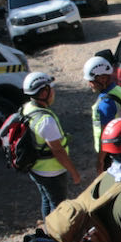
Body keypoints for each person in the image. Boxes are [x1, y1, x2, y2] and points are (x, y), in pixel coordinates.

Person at [21, 71, 80, 218]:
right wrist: (74, 172)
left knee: (47, 199)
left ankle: (47, 231)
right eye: (50, 88)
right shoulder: (46, 121)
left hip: (35, 168)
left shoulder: (28, 108)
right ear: (43, 93)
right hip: (51, 172)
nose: (53, 91)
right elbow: (58, 151)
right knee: (58, 207)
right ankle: (54, 237)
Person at [84, 55, 121, 171]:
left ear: (102, 79)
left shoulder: (106, 104)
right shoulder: (117, 90)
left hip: (110, 150)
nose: (89, 84)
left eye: (91, 81)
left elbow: (105, 136)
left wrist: (100, 160)